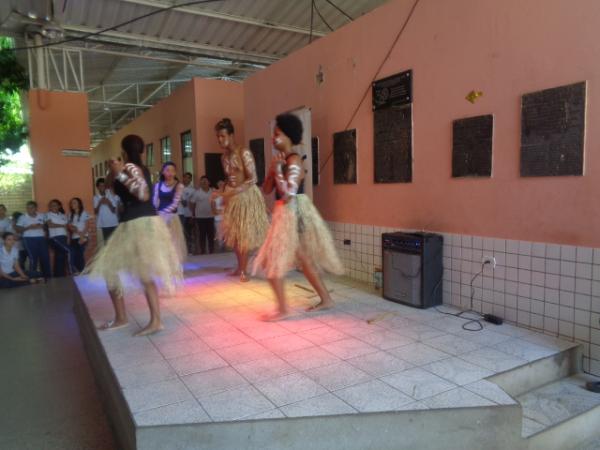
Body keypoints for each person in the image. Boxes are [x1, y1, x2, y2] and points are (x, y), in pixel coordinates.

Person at [83, 134, 182, 336]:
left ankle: (138, 319)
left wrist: (120, 173)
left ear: (125, 151)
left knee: (119, 269)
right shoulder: (135, 168)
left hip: (137, 223)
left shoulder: (131, 168)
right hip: (138, 222)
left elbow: (143, 194)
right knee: (134, 272)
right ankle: (145, 319)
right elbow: (112, 186)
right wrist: (115, 171)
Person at [253, 114, 344, 321]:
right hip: (286, 214)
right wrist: (271, 171)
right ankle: (326, 299)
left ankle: (283, 310)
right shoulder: (281, 161)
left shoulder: (294, 160)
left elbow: (286, 195)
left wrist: (277, 170)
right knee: (304, 261)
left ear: (289, 136)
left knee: (272, 262)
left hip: (293, 213)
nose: (273, 138)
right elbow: (267, 190)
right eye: (273, 135)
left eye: (277, 134)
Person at [213, 118, 269, 282]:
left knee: (243, 234)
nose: (220, 140)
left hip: (246, 197)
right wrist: (222, 192)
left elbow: (253, 179)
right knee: (235, 235)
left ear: (231, 134)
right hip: (233, 198)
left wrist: (229, 193)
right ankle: (240, 267)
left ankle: (244, 269)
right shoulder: (223, 157)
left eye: (223, 136)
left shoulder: (243, 152)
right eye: (218, 137)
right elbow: (228, 178)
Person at [153, 161, 186, 262]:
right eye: (167, 170)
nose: (170, 173)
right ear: (163, 172)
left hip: (171, 218)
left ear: (175, 173)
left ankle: (173, 267)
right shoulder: (158, 185)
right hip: (159, 218)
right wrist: (155, 213)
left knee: (173, 244)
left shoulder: (179, 186)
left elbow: (175, 203)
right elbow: (154, 201)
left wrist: (162, 213)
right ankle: (162, 266)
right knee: (160, 243)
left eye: (172, 170)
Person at [16, 201, 50, 279]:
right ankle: (32, 277)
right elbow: (18, 230)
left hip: (41, 238)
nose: (29, 209)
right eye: (28, 208)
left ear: (35, 208)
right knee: (33, 258)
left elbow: (47, 227)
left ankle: (47, 276)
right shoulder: (23, 217)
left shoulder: (42, 215)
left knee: (45, 257)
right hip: (28, 239)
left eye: (31, 207)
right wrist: (29, 227)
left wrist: (42, 226)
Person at [46, 199, 72, 277]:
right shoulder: (48, 214)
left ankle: (59, 275)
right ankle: (73, 271)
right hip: (54, 238)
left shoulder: (63, 215)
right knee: (69, 251)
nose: (52, 206)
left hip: (63, 238)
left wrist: (68, 238)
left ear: (59, 206)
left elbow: (66, 228)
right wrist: (62, 225)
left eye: (54, 205)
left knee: (60, 256)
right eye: (51, 205)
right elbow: (50, 225)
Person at [190, 175, 214, 254]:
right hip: (200, 217)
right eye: (202, 180)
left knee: (211, 235)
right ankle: (203, 251)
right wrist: (193, 215)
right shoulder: (196, 193)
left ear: (209, 182)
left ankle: (211, 250)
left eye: (205, 180)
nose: (204, 182)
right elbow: (192, 204)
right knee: (202, 235)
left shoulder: (213, 192)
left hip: (210, 216)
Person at [67, 197, 90, 274]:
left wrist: (82, 236)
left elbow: (87, 226)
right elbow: (70, 227)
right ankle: (77, 271)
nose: (72, 204)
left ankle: (82, 271)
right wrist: (76, 231)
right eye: (71, 203)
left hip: (84, 237)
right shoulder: (70, 215)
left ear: (79, 204)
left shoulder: (84, 213)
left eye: (74, 203)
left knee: (80, 254)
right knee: (74, 254)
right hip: (74, 237)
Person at [94, 177, 120, 243]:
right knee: (106, 244)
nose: (102, 187)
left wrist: (109, 203)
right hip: (103, 225)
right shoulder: (95, 198)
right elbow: (95, 212)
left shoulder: (111, 195)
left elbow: (114, 210)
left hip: (114, 223)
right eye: (100, 186)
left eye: (104, 185)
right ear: (97, 187)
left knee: (115, 243)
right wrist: (99, 203)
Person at [178, 172, 196, 255]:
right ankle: (181, 251)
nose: (186, 179)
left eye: (188, 178)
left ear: (190, 179)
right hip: (179, 213)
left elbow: (193, 204)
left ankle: (190, 250)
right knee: (180, 233)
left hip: (188, 214)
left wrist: (193, 215)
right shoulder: (178, 188)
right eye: (185, 177)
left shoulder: (193, 190)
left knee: (188, 233)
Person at [212, 180, 226, 252]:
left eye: (222, 184)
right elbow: (213, 208)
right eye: (219, 184)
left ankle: (226, 248)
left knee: (227, 235)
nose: (221, 185)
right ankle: (221, 249)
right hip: (218, 218)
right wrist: (219, 212)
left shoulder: (227, 193)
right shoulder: (214, 194)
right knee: (220, 234)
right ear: (217, 184)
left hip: (227, 218)